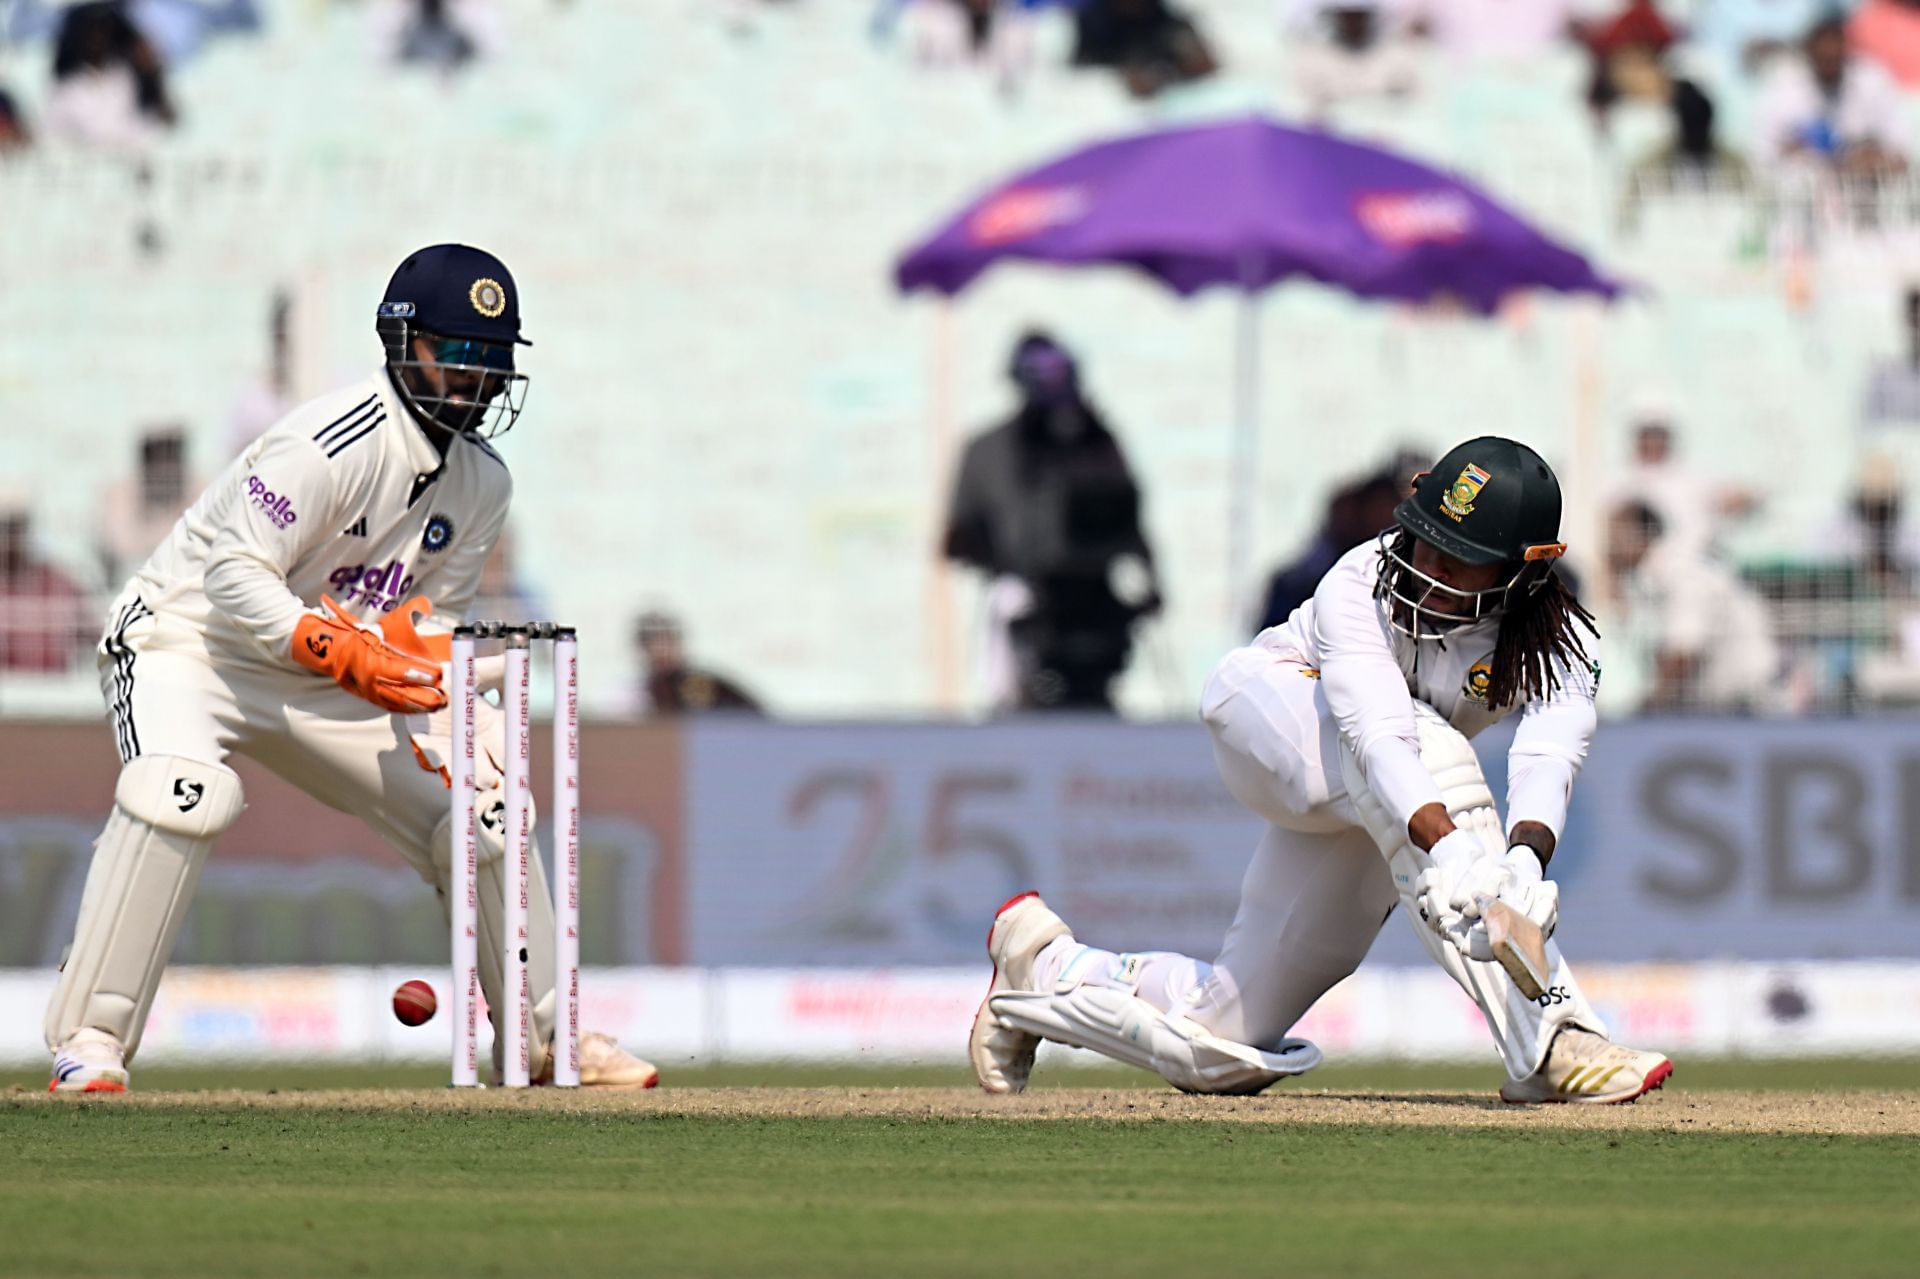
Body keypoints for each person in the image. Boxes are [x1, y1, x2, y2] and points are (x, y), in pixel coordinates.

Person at [42, 244, 658, 1093]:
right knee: (181, 792)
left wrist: (430, 673)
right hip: (190, 644)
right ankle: (90, 1039)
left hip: (331, 669)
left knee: (487, 807)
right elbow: (232, 573)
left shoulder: (481, 484)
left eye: (492, 361)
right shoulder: (331, 442)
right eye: (460, 353)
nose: (477, 378)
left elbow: (429, 618)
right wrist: (333, 646)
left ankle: (545, 1037)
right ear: (404, 343)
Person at [969, 438, 1673, 1104]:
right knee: (1434, 752)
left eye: (1461, 559)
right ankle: (1555, 1039)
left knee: (1217, 1047)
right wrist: (1457, 852)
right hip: (1273, 713)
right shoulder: (1358, 581)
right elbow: (1380, 735)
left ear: (1526, 568)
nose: (1427, 563)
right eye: (1427, 536)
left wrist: (1523, 862)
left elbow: (1550, 755)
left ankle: (1043, 964)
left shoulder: (1563, 643)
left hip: (1375, 796)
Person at [942, 331, 1162, 712]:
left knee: (1094, 707)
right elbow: (955, 540)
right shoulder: (991, 450)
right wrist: (1000, 555)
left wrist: (1151, 583)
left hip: (1096, 600)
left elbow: (1130, 518)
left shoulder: (1097, 445)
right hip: (1025, 597)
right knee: (1018, 700)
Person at [1606, 500, 1781, 711]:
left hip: (1752, 700)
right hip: (1728, 703)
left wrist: (1649, 706)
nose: (1609, 546)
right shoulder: (1652, 579)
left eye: (1614, 534)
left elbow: (1684, 651)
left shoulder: (1680, 572)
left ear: (1637, 535)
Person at [1754, 13, 1908, 176]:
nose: (1830, 51)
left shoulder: (1871, 79)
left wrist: (1875, 155)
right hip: (1802, 185)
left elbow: (1899, 144)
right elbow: (1762, 149)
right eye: (1823, 47)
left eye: (1836, 43)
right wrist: (1794, 153)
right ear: (1808, 48)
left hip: (1862, 184)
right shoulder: (1783, 84)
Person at [0, 492, 96, 674]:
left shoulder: (59, 583)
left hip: (53, 694)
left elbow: (101, 637)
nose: (9, 539)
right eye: (3, 528)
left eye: (14, 528)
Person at [1070, 0, 1216, 98]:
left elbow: (1196, 54)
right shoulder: (1092, 21)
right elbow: (1082, 71)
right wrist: (1119, 76)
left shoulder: (1157, 10)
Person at [634, 610, 763, 715]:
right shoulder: (634, 692)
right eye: (656, 644)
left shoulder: (700, 684)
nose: (663, 651)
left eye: (669, 643)